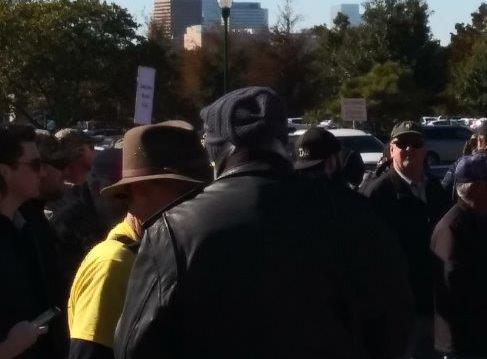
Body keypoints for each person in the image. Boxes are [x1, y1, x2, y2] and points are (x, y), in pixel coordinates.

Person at [116, 87, 413, 358]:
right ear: (283, 143)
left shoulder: (175, 230)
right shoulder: (352, 211)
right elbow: (395, 321)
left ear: (217, 150)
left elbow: (134, 347)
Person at [68, 121, 212, 359]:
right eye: (184, 191)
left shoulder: (169, 251)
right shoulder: (114, 264)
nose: (197, 200)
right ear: (140, 190)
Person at [361, 120, 450, 359]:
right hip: (396, 308)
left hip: (433, 304)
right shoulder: (376, 195)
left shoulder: (437, 191)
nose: (408, 149)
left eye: (415, 143)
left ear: (425, 149)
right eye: (401, 144)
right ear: (391, 150)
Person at [431, 154, 487, 359]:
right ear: (473, 188)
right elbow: (455, 293)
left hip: (486, 338)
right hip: (466, 344)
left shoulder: (485, 219)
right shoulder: (452, 230)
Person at [0, 124, 67, 358]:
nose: (43, 173)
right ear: (5, 171)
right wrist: (7, 349)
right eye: (35, 165)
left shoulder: (30, 223)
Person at [48, 149, 126, 287]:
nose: (128, 202)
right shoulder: (67, 225)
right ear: (96, 188)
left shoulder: (137, 213)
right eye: (121, 194)